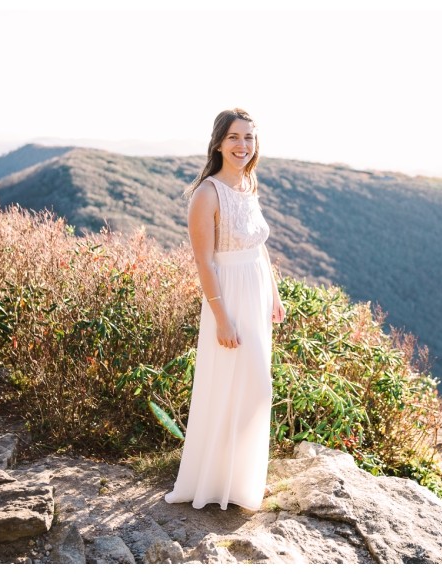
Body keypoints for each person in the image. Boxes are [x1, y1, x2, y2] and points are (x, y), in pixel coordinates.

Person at [165, 108, 285, 511]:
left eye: (249, 137)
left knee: (253, 387)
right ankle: (216, 481)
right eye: (235, 137)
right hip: (228, 296)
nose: (243, 145)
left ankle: (243, 480)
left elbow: (257, 244)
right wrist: (221, 318)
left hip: (255, 290)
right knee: (236, 386)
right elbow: (205, 262)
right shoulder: (207, 194)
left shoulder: (249, 184)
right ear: (218, 142)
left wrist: (274, 291)